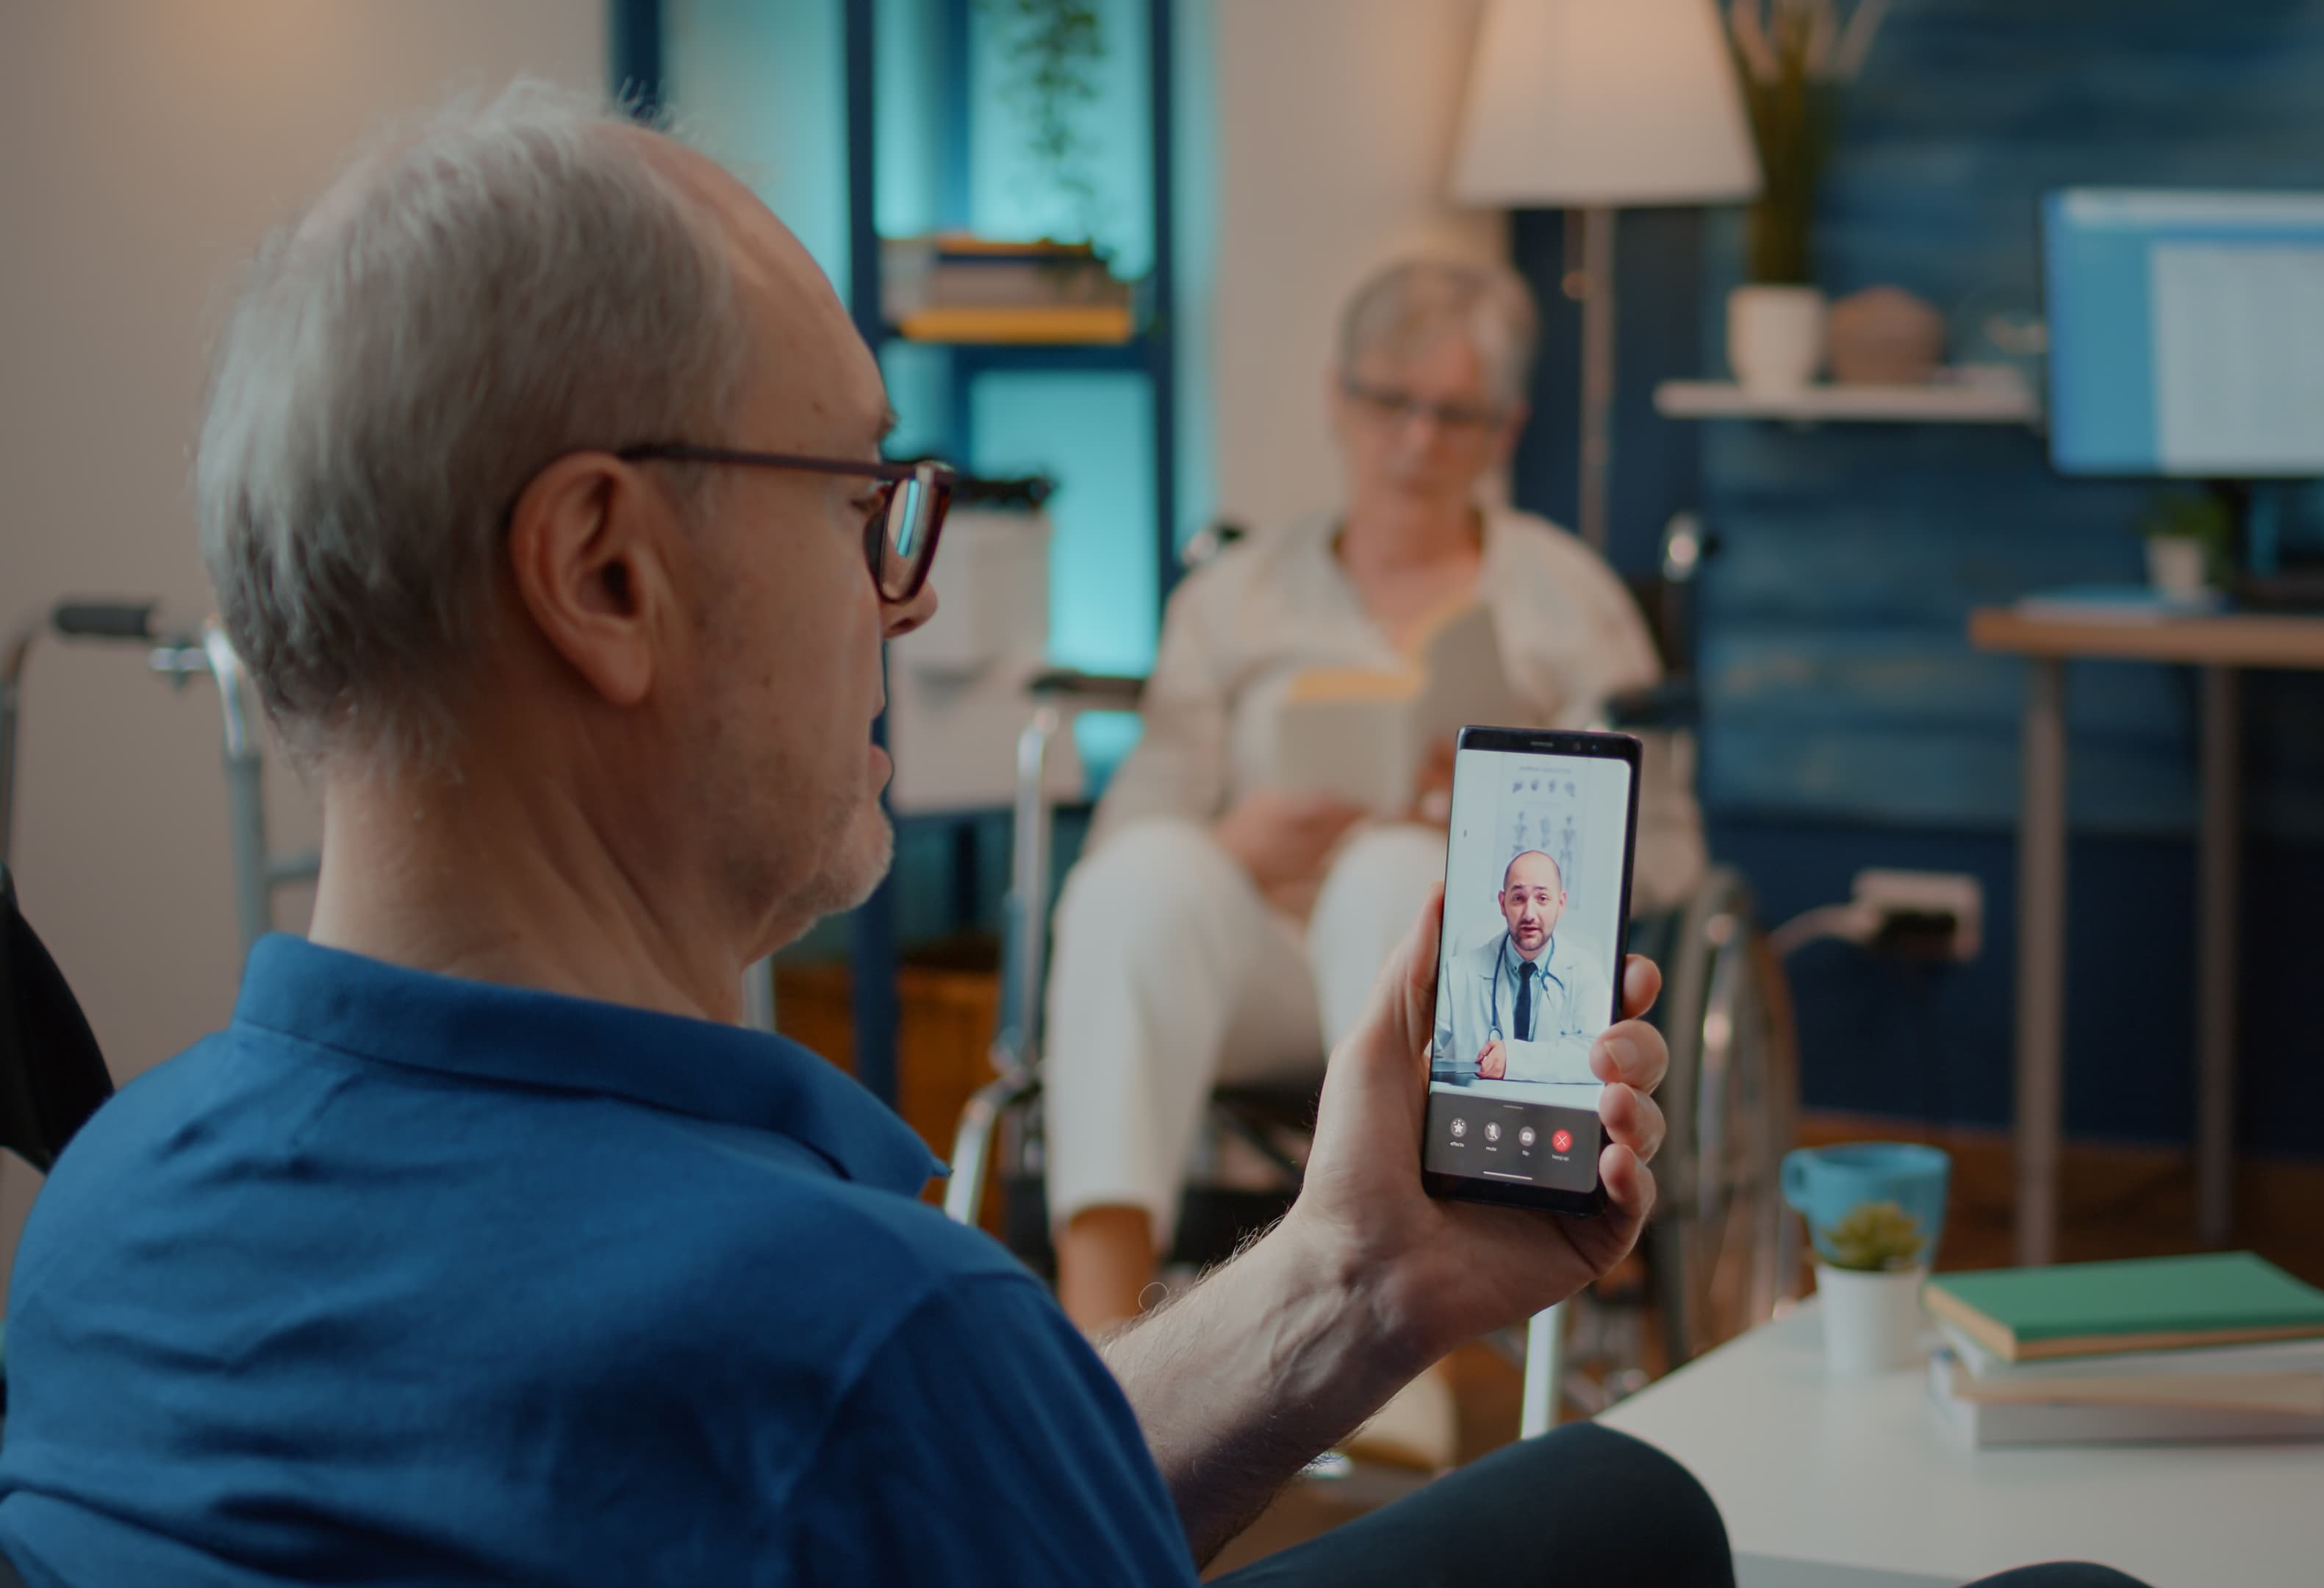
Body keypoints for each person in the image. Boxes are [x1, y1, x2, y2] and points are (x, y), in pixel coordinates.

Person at [0, 85, 1697, 1587]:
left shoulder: (100, 1219)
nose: (910, 588)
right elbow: (879, 1440)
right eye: (856, 500)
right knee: (1636, 1510)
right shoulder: (857, 1330)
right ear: (605, 571)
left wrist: (1348, 1276)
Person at [1041, 255, 1706, 1328]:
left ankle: (1385, 1322)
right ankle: (1098, 1327)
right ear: (1337, 397)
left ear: (1505, 429)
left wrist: (1490, 838)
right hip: (1250, 966)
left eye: (1455, 416)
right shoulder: (1235, 598)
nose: (1414, 442)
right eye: (1389, 403)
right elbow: (1132, 828)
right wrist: (1238, 846)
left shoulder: (1567, 604)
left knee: (1401, 873)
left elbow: (1663, 855)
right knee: (1145, 877)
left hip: (1462, 1004)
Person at [1435, 849, 1615, 1085]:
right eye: (1518, 898)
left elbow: (1601, 1059)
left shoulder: (1586, 972)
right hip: (1479, 1111)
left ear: (1560, 904)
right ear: (1502, 903)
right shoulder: (1458, 973)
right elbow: (1420, 1050)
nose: (1530, 914)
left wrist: (1513, 1060)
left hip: (1554, 1114)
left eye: (1542, 899)